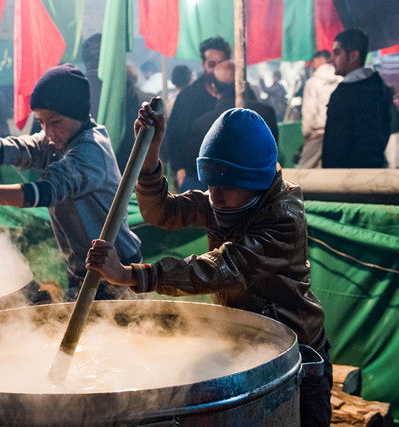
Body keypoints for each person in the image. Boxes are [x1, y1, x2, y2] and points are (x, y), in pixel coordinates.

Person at [86, 105, 331, 427]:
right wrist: (151, 150)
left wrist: (129, 275)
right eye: (210, 185)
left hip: (294, 351)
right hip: (245, 341)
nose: (214, 196)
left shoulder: (282, 219)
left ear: (256, 181)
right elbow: (162, 212)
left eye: (224, 187)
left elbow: (218, 269)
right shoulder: (230, 198)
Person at [0, 64, 142, 301]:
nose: (47, 131)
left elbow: (46, 192)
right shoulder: (53, 141)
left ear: (77, 114)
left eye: (54, 122)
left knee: (122, 335)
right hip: (82, 269)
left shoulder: (91, 148)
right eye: (41, 122)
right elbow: (3, 151)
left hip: (117, 268)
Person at [176, 60, 278, 192]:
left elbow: (193, 167)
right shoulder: (267, 113)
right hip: (263, 192)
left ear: (213, 88)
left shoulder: (202, 124)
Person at [164, 37, 231, 188]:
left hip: (232, 175)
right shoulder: (187, 97)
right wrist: (179, 169)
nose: (216, 70)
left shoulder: (242, 94)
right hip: (195, 177)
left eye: (221, 64)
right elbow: (175, 134)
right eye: (212, 65)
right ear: (204, 65)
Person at [322, 29, 393, 168]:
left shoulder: (344, 94)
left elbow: (335, 146)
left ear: (354, 55)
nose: (331, 60)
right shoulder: (380, 87)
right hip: (373, 173)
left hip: (345, 178)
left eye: (337, 53)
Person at [297, 51, 342, 168]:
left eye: (314, 61)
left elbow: (309, 110)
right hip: (336, 131)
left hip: (317, 132)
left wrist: (306, 132)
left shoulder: (312, 82)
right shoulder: (340, 80)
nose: (313, 65)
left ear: (320, 61)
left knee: (303, 169)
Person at [115, 65, 155, 173]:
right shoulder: (150, 100)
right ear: (136, 79)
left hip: (120, 158)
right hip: (146, 158)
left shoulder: (113, 103)